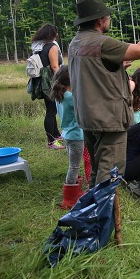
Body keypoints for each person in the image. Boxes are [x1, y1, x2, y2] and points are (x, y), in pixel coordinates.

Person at [68, 0, 140, 187]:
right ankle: (100, 216)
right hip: (108, 120)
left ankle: (92, 212)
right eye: (107, 16)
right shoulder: (102, 42)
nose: (109, 19)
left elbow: (93, 74)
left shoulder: (75, 43)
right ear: (100, 20)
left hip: (88, 117)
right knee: (110, 174)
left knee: (98, 170)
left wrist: (118, 66)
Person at [50, 65, 84, 209]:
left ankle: (75, 192)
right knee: (74, 166)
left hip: (66, 134)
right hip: (76, 135)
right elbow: (82, 112)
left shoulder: (60, 94)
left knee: (73, 165)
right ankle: (69, 199)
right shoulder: (70, 96)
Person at [31, 23, 64, 149]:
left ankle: (56, 134)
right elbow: (55, 66)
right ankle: (51, 142)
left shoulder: (39, 47)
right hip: (50, 80)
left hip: (42, 80)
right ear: (53, 34)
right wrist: (61, 81)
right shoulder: (52, 47)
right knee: (51, 111)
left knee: (52, 109)